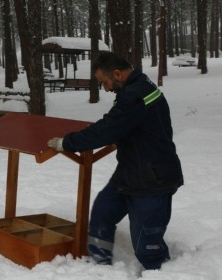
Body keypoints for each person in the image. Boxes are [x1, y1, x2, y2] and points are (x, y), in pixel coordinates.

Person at [47, 51, 183, 270]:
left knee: (145, 245)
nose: (106, 88)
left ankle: (162, 272)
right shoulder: (137, 86)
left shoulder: (135, 94)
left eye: (105, 82)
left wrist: (68, 143)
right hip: (131, 172)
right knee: (102, 212)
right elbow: (128, 124)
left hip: (153, 179)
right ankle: (99, 267)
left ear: (118, 74)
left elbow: (107, 129)